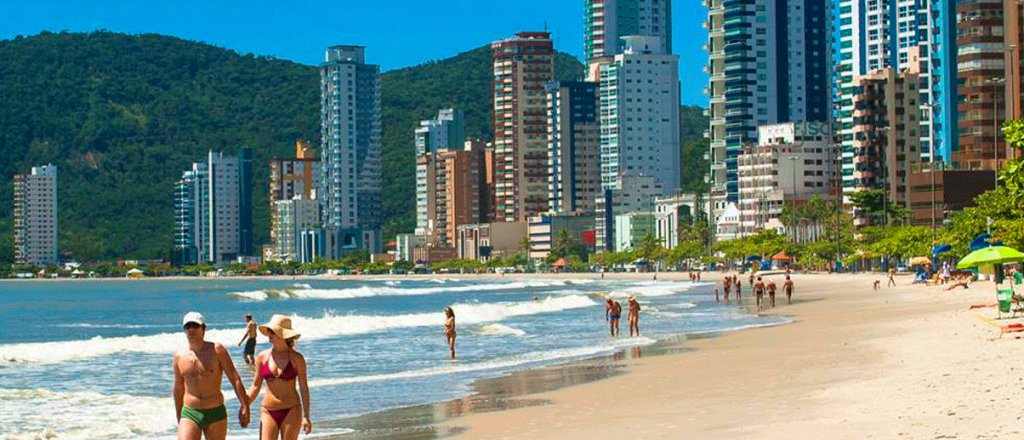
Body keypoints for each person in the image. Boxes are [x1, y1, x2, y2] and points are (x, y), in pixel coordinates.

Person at [174, 312, 250, 440]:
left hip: (215, 412)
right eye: (188, 327)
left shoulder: (217, 350)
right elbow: (178, 389)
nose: (191, 329)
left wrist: (245, 405)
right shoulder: (179, 357)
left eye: (195, 326)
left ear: (203, 328)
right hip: (190, 412)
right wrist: (179, 416)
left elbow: (234, 378)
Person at [247, 315, 312, 440]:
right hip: (268, 410)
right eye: (269, 331)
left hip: (291, 409)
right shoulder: (262, 357)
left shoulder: (297, 358)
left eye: (272, 331)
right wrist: (245, 405)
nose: (269, 334)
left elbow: (304, 387)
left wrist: (307, 417)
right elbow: (256, 385)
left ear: (283, 334)